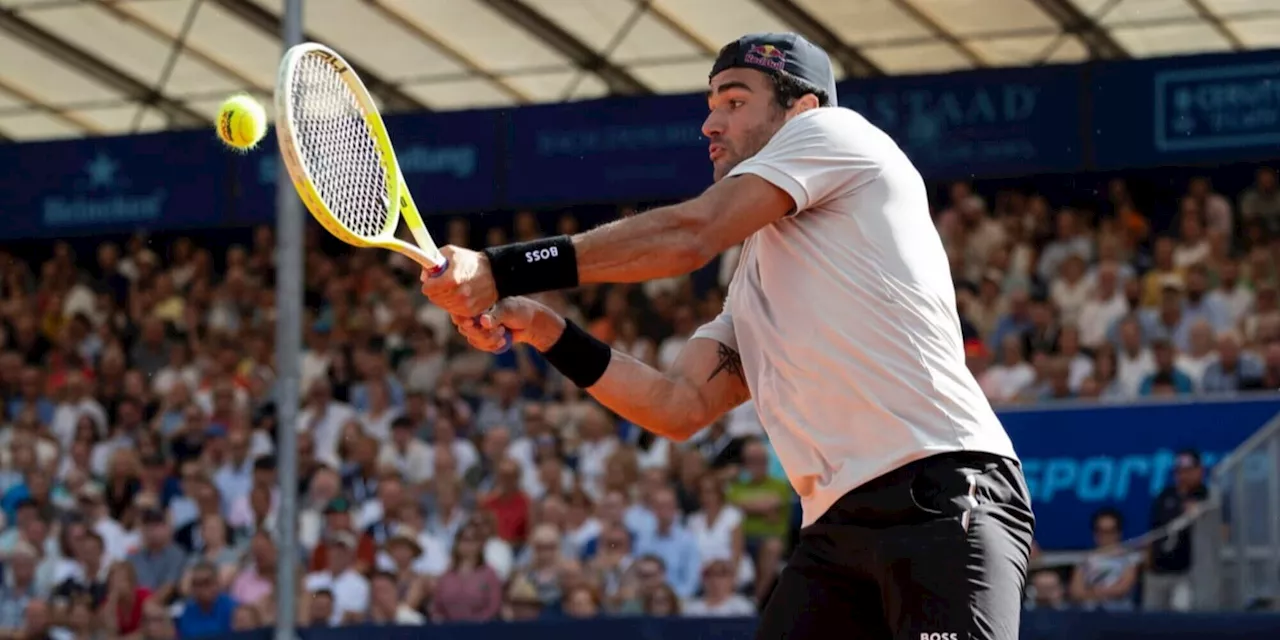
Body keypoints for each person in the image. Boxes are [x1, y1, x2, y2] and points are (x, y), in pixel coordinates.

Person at [422, 31, 1034, 640]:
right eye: (712, 105)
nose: (711, 124)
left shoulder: (837, 134)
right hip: (835, 529)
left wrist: (501, 266)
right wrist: (544, 327)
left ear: (802, 109)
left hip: (946, 494)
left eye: (735, 101)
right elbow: (676, 406)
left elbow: (692, 234)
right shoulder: (753, 282)